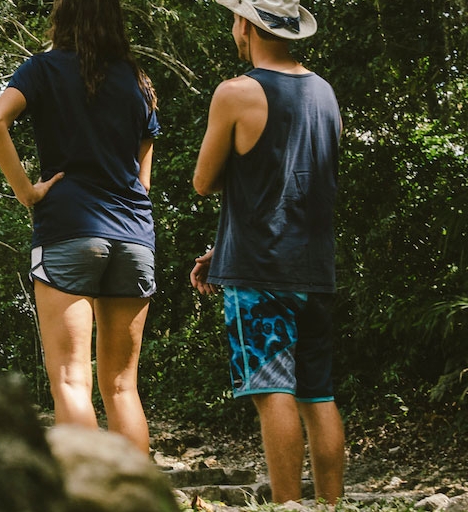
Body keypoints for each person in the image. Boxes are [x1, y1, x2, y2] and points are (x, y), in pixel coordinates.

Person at [0, 0, 161, 454]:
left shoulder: (42, 69)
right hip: (134, 236)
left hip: (70, 230)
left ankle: (86, 499)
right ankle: (136, 500)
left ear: (64, 17)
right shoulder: (139, 82)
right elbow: (143, 179)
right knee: (122, 388)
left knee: (71, 379)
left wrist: (26, 191)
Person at [189, 0, 342, 503]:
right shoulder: (324, 92)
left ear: (246, 27)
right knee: (317, 395)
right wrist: (223, 248)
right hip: (315, 268)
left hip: (260, 273)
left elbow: (204, 181)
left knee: (272, 390)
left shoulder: (236, 92)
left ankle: (287, 506)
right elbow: (295, 186)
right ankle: (330, 505)